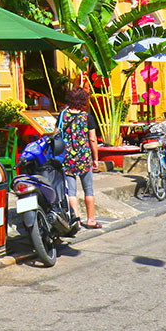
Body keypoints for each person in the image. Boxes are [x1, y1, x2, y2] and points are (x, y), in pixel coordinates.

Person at [58, 88, 101, 229]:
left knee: (71, 192)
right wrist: (95, 158)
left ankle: (76, 221)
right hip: (84, 157)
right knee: (88, 190)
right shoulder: (87, 117)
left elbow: (57, 134)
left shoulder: (62, 116)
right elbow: (93, 140)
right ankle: (91, 220)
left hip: (67, 157)